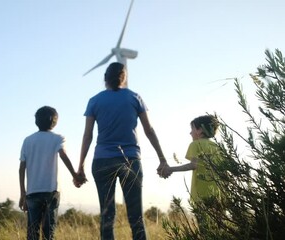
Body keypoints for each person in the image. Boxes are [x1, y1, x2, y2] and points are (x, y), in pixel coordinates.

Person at [75, 62, 168, 240]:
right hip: (130, 161)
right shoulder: (135, 98)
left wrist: (81, 166)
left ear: (105, 79)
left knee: (107, 216)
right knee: (136, 216)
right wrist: (162, 158)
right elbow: (149, 131)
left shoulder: (94, 101)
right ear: (124, 77)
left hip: (102, 161)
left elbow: (88, 136)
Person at [19, 106, 83, 240]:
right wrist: (75, 176)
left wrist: (23, 193)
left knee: (32, 232)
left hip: (32, 192)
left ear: (36, 121)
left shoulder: (28, 140)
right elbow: (63, 156)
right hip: (51, 191)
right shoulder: (58, 138)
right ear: (54, 122)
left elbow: (22, 168)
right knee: (49, 232)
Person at [161, 115, 221, 201]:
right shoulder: (217, 147)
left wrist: (170, 169)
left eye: (192, 129)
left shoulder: (195, 144)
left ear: (200, 130)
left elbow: (193, 165)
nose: (190, 133)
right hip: (218, 194)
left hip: (201, 194)